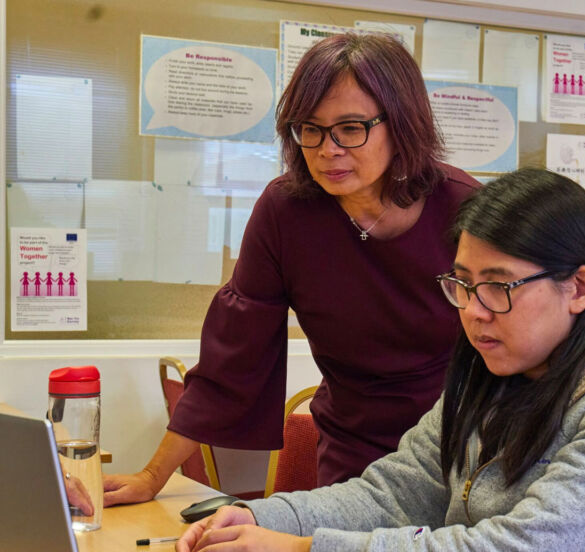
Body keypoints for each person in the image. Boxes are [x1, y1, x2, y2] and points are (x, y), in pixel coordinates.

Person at [175, 168, 585, 552]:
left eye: (499, 287)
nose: (474, 310)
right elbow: (393, 495)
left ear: (578, 288)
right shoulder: (495, 373)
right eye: (462, 283)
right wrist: (261, 521)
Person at [104, 32, 478, 506]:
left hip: (462, 444)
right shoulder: (287, 211)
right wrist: (151, 477)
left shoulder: (466, 209)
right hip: (353, 449)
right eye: (311, 129)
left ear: (402, 123)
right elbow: (233, 356)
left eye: (350, 128)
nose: (328, 150)